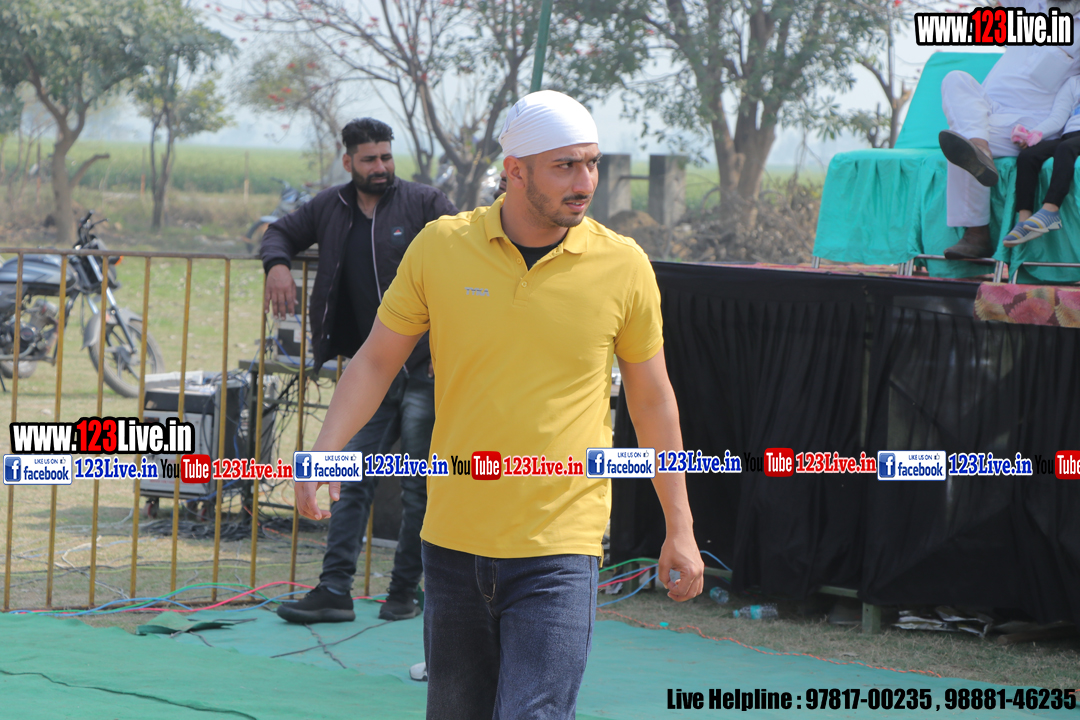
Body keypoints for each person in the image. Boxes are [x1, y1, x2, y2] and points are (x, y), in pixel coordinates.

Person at [295, 90, 705, 719]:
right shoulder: (441, 246)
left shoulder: (623, 266)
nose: (585, 182)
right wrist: (324, 454)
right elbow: (376, 361)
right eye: (565, 166)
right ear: (516, 171)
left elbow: (652, 401)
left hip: (560, 547)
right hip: (452, 543)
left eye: (591, 163)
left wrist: (680, 527)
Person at [261, 118, 458, 623]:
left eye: (386, 157)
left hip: (426, 366)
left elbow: (468, 253)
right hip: (371, 370)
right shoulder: (331, 206)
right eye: (369, 159)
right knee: (346, 477)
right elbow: (280, 230)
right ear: (348, 161)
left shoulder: (426, 204)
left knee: (419, 484)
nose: (380, 167)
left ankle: (403, 592)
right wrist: (278, 265)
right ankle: (334, 590)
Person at [936, 0, 1080, 259]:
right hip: (988, 112)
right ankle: (979, 148)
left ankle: (976, 233)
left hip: (1028, 128)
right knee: (955, 79)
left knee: (961, 136)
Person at [1004, 74, 1080, 246]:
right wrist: (1032, 135)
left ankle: (1051, 210)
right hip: (1069, 136)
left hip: (1069, 145)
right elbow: (1057, 118)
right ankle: (1024, 219)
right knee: (1028, 155)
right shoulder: (1073, 83)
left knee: (1065, 148)